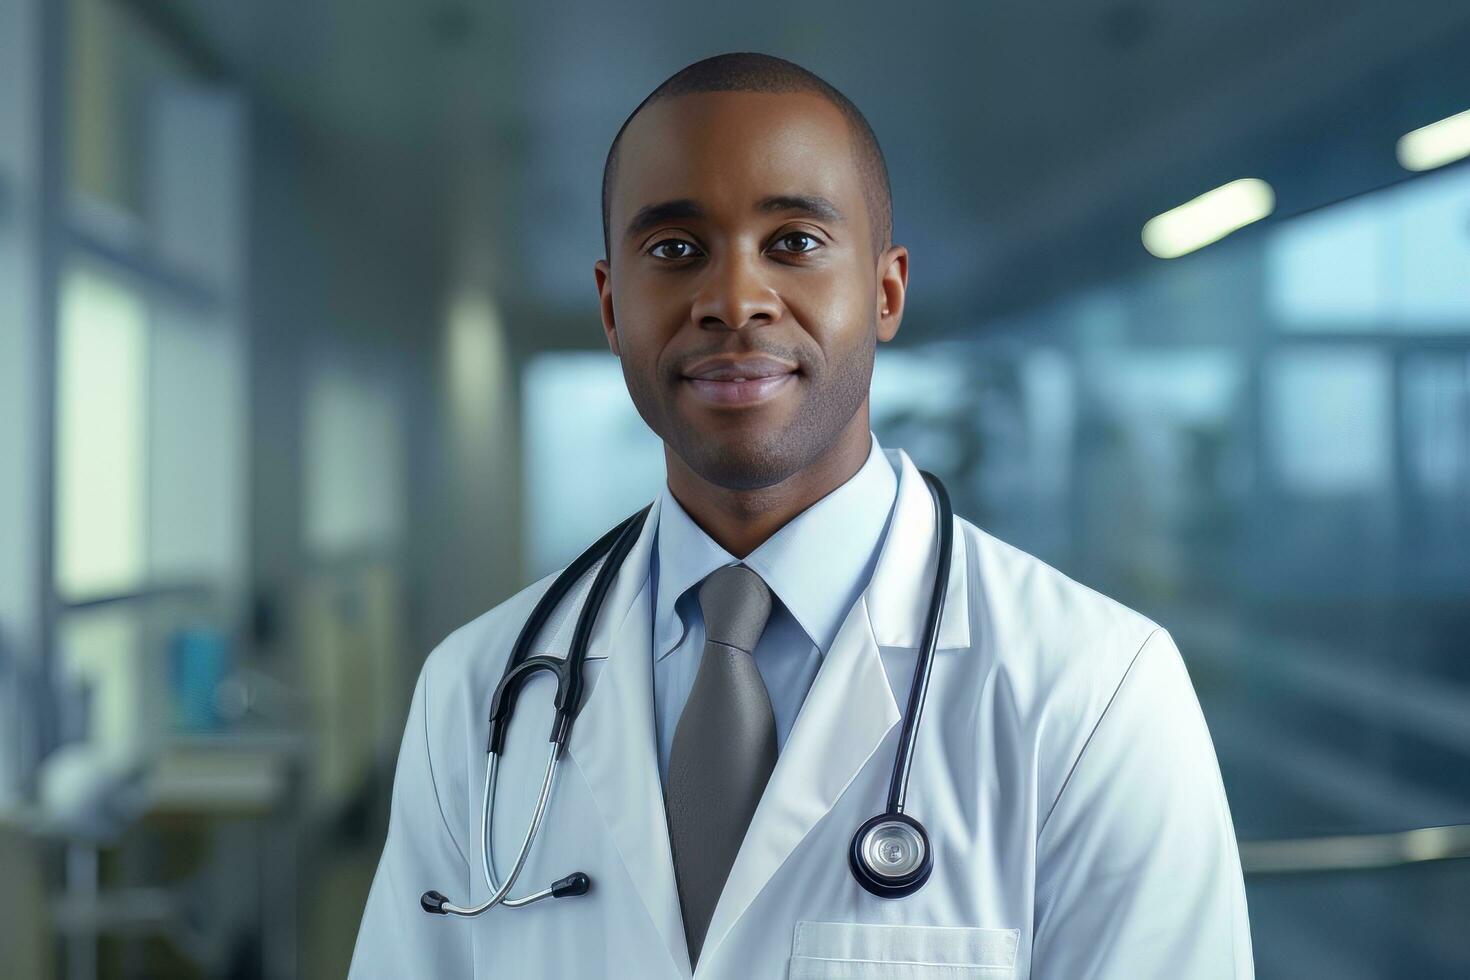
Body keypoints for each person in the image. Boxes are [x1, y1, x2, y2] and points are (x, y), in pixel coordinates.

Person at [349, 51, 1253, 979]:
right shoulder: (475, 690)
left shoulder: (1094, 692)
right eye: (674, 250)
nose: (734, 300)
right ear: (612, 306)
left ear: (886, 291)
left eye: (794, 243)